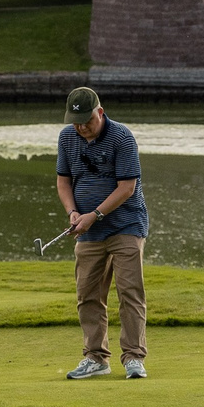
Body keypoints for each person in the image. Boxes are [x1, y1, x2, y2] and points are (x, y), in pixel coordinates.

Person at [55, 85, 147, 380]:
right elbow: (63, 181)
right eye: (76, 122)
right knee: (88, 294)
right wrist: (72, 212)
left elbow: (127, 187)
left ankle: (133, 358)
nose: (82, 128)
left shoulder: (122, 137)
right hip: (87, 229)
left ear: (101, 112)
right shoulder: (68, 137)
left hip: (126, 225)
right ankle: (96, 358)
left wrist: (94, 215)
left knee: (129, 291)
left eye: (88, 122)